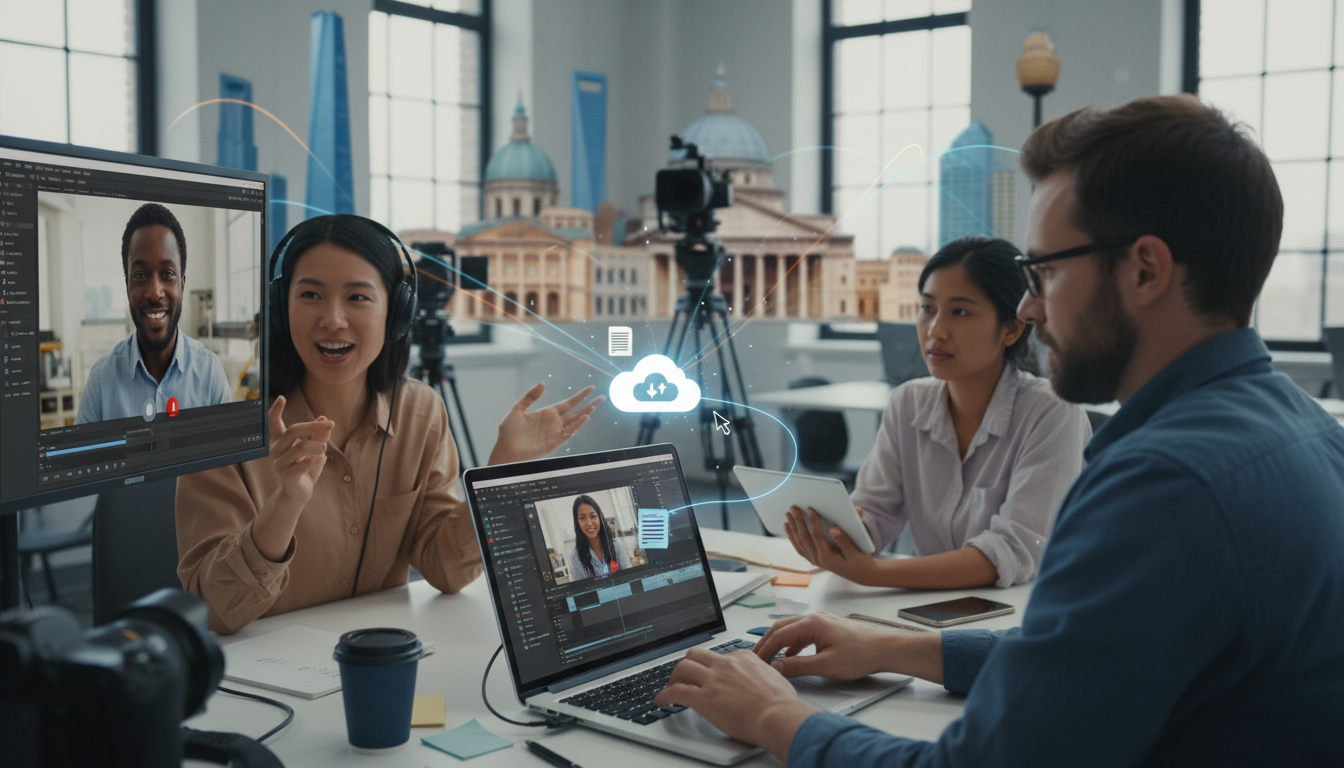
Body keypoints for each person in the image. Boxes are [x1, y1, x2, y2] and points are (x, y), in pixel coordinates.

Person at [654, 95, 1344, 765]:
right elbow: (1091, 659)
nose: (1033, 309)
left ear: (1144, 269)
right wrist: (893, 646)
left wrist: (773, 714)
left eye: (1043, 271)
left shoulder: (1164, 484)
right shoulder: (1306, 432)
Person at [176, 215, 604, 634]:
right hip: (263, 687)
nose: (333, 320)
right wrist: (286, 502)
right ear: (281, 308)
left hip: (383, 663)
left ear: (396, 314)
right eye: (310, 295)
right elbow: (216, 610)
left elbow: (446, 569)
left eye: (357, 297)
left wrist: (498, 470)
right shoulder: (221, 431)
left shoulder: (421, 412)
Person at [786, 235, 1090, 589]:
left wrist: (874, 573)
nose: (935, 330)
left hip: (1028, 612)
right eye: (927, 308)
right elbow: (876, 510)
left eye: (959, 312)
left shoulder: (1051, 412)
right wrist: (842, 535)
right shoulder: (908, 403)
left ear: (1011, 329)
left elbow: (1014, 549)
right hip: (930, 607)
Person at [77, 202, 232, 424]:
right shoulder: (102, 381)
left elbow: (229, 458)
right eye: (140, 275)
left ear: (182, 285)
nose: (155, 293)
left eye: (167, 273)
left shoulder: (210, 373)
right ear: (127, 285)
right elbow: (84, 459)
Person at [566, 494, 631, 580]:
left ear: (600, 518)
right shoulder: (576, 557)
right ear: (577, 523)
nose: (589, 523)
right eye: (582, 518)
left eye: (593, 516)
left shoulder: (616, 547)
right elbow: (582, 591)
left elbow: (631, 578)